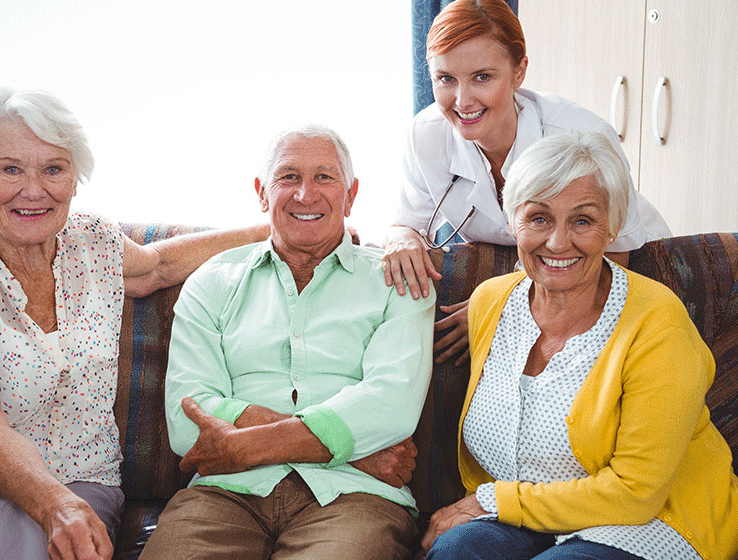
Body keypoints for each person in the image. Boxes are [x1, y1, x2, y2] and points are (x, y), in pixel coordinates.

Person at [0, 87, 269, 560]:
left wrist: (278, 230)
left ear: (75, 180)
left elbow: (157, 267)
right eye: (10, 169)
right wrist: (53, 504)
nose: (34, 190)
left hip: (84, 481)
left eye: (53, 169)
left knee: (52, 533)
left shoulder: (91, 241)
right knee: (16, 520)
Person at [421, 131, 738, 560]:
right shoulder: (490, 303)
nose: (557, 242)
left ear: (613, 227)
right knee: (457, 552)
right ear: (512, 221)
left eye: (583, 221)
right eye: (539, 218)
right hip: (522, 516)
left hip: (649, 522)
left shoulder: (658, 323)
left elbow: (635, 493)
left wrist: (492, 501)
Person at [140, 126, 435, 559]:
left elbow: (391, 407)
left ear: (351, 195)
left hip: (354, 497)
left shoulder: (398, 282)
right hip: (226, 493)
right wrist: (353, 452)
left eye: (324, 177)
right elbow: (189, 422)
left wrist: (243, 444)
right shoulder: (211, 282)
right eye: (289, 177)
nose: (305, 194)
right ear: (262, 193)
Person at [382, 0, 671, 366]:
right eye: (446, 79)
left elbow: (613, 255)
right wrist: (402, 237)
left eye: (482, 77)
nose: (463, 100)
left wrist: (501, 307)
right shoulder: (426, 136)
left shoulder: (580, 134)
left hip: (620, 265)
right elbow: (407, 223)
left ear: (519, 72)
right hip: (533, 269)